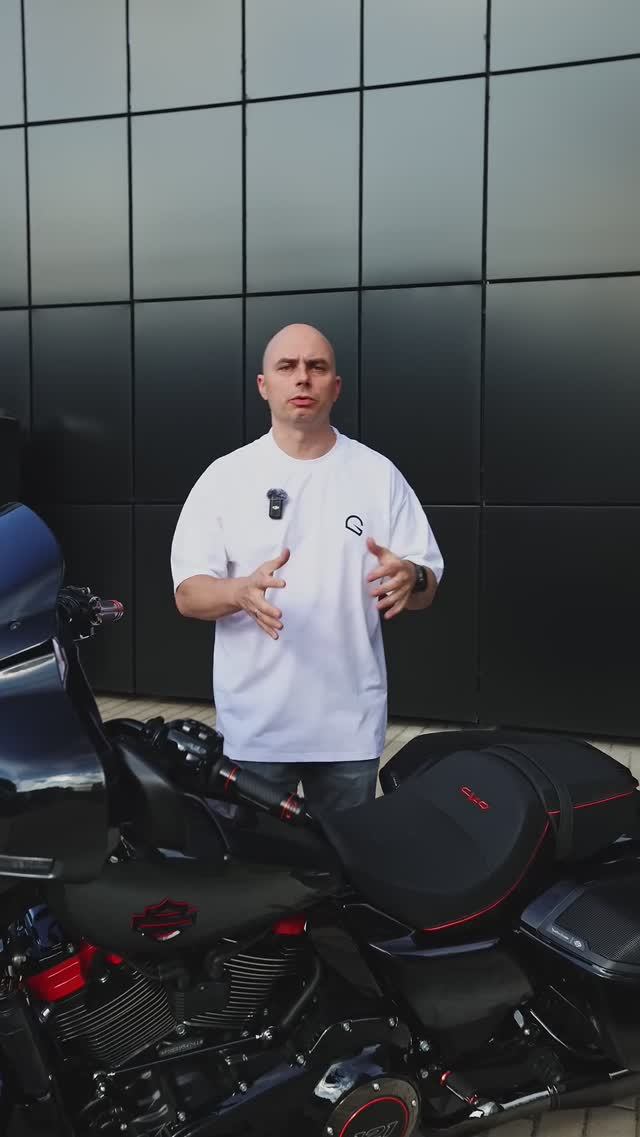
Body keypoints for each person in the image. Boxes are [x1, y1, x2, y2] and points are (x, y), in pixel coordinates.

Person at [171, 323, 444, 813]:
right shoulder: (225, 477)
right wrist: (239, 592)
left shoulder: (377, 475)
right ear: (263, 385)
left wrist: (412, 576)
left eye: (316, 367)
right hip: (254, 730)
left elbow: (427, 584)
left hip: (349, 730)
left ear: (335, 387)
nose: (302, 378)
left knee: (344, 859)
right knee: (250, 861)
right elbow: (188, 594)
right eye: (287, 367)